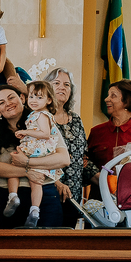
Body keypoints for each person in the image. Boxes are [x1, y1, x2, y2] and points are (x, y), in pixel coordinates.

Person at [0, 85, 69, 228]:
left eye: (11, 97)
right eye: (1, 102)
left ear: (22, 98)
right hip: (7, 197)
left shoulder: (43, 122)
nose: (8, 103)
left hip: (45, 193)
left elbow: (63, 159)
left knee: (47, 240)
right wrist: (27, 171)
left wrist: (27, 161)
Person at [9, 80, 64, 227]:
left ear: (49, 100)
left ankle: (14, 196)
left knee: (15, 163)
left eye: (39, 97)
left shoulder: (42, 115)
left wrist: (25, 132)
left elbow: (45, 133)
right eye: (32, 96)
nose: (34, 100)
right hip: (35, 146)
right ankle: (33, 209)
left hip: (38, 148)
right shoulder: (34, 114)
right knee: (34, 181)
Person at [45, 67, 90, 221]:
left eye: (67, 84)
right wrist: (56, 183)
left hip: (74, 194)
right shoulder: (40, 118)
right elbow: (35, 155)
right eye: (56, 83)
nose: (62, 87)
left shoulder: (76, 119)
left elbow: (84, 157)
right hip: (49, 190)